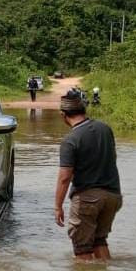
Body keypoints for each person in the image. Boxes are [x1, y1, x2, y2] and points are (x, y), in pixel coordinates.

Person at [54, 94, 122, 260]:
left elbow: (65, 177)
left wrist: (58, 206)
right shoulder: (105, 129)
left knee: (82, 248)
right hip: (113, 196)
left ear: (63, 115)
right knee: (100, 241)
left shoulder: (70, 140)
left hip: (88, 199)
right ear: (84, 110)